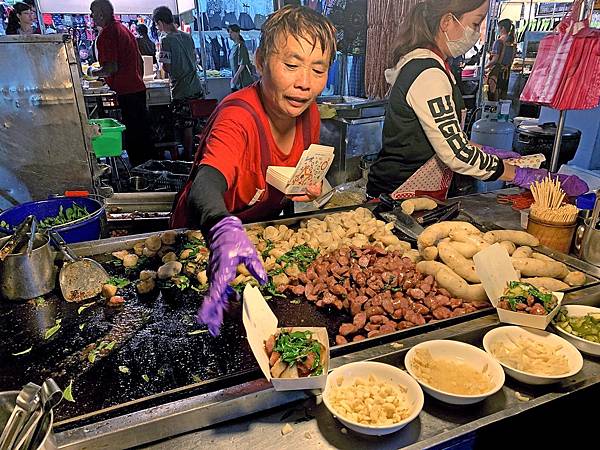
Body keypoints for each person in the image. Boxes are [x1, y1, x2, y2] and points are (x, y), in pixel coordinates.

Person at [170, 5, 336, 335]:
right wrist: (222, 232)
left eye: (318, 70)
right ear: (260, 61)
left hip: (255, 242)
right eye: (291, 65)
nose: (304, 83)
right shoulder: (238, 117)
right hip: (201, 237)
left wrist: (305, 184)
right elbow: (207, 183)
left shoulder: (309, 114)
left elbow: (283, 179)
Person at [366, 0, 587, 201]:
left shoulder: (434, 65)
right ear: (446, 22)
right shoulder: (428, 73)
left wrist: (487, 151)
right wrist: (517, 174)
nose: (476, 33)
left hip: (417, 190)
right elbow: (456, 154)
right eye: (475, 23)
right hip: (398, 193)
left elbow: (445, 137)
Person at [89, 0, 153, 167]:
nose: (91, 16)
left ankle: (139, 171)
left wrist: (91, 72)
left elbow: (110, 68)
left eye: (93, 13)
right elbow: (139, 60)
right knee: (142, 132)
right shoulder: (122, 29)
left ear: (101, 14)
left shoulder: (108, 34)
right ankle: (148, 167)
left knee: (134, 134)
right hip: (136, 88)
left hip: (127, 92)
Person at [153, 6, 204, 161]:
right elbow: (195, 58)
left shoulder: (165, 40)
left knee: (185, 126)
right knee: (196, 125)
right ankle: (197, 156)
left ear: (160, 22)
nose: (157, 28)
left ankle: (187, 158)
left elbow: (166, 67)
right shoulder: (187, 36)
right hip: (196, 86)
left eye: (157, 24)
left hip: (181, 90)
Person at [485, 18, 516, 101]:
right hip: (506, 74)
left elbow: (494, 60)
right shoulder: (513, 44)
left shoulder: (499, 42)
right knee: (502, 98)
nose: (497, 30)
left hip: (497, 74)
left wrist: (485, 68)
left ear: (502, 28)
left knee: (494, 96)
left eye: (498, 28)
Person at [227, 24, 254, 92]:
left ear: (238, 32)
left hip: (243, 81)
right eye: (229, 33)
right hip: (237, 81)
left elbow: (243, 64)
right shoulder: (234, 46)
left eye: (232, 32)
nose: (230, 35)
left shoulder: (241, 46)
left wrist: (235, 77)